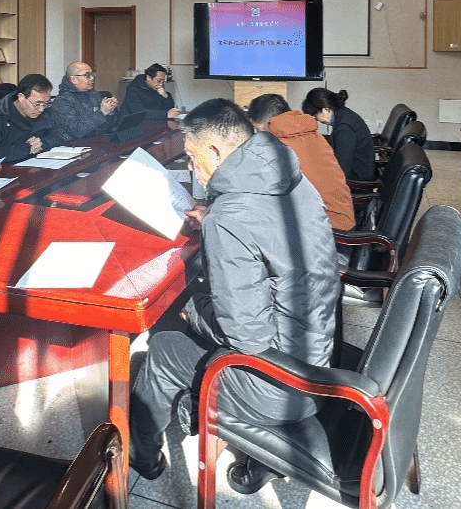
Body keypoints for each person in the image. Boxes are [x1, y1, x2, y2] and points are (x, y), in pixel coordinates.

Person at [129, 99, 340, 486]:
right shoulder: (288, 176)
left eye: (191, 157)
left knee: (162, 347)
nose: (191, 167)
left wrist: (191, 309)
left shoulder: (231, 217)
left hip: (279, 384)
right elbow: (270, 234)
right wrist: (215, 217)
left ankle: (142, 457)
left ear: (214, 151)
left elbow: (246, 338)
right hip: (319, 349)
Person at [248, 92, 355, 230]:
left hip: (327, 229)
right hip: (342, 219)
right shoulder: (313, 134)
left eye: (257, 129)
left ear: (266, 123)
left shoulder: (279, 145)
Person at [0, 73, 55, 163]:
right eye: (37, 104)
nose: (41, 109)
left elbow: (57, 135)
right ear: (21, 97)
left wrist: (41, 143)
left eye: (46, 103)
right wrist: (27, 148)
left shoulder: (44, 112)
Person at [301, 87, 376, 181]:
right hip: (357, 169)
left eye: (316, 116)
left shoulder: (344, 127)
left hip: (357, 178)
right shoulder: (343, 115)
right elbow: (337, 141)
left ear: (326, 109)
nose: (318, 120)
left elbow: (341, 169)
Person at [46, 61, 120, 145]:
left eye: (92, 74)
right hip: (71, 145)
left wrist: (110, 112)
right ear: (74, 79)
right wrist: (102, 112)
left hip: (95, 141)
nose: (92, 78)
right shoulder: (62, 101)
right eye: (87, 75)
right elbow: (78, 131)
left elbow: (105, 128)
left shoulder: (94, 95)